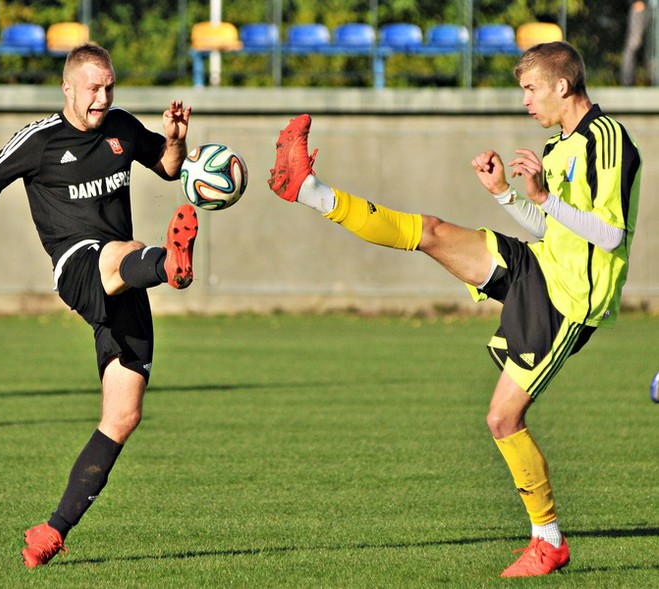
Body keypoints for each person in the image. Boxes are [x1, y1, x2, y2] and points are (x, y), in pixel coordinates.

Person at [268, 41, 641, 578]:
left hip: (568, 301)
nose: (525, 103)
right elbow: (551, 228)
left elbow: (608, 236)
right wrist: (506, 195)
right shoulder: (559, 148)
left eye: (530, 90)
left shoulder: (606, 139)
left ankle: (549, 541)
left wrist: (541, 198)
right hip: (541, 268)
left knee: (502, 418)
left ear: (563, 86)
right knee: (433, 232)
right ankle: (308, 189)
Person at [0, 43, 199, 568]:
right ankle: (167, 264)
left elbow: (171, 169)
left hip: (124, 282)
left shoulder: (122, 127)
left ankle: (52, 530)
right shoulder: (38, 142)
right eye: (93, 88)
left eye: (109, 87)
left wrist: (176, 140)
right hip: (80, 267)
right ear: (68, 88)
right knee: (123, 253)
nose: (103, 97)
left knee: (123, 415)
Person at [621, 0, 653, 86]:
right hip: (642, 7)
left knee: (649, 46)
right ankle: (628, 80)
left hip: (648, 8)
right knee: (635, 45)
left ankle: (651, 78)